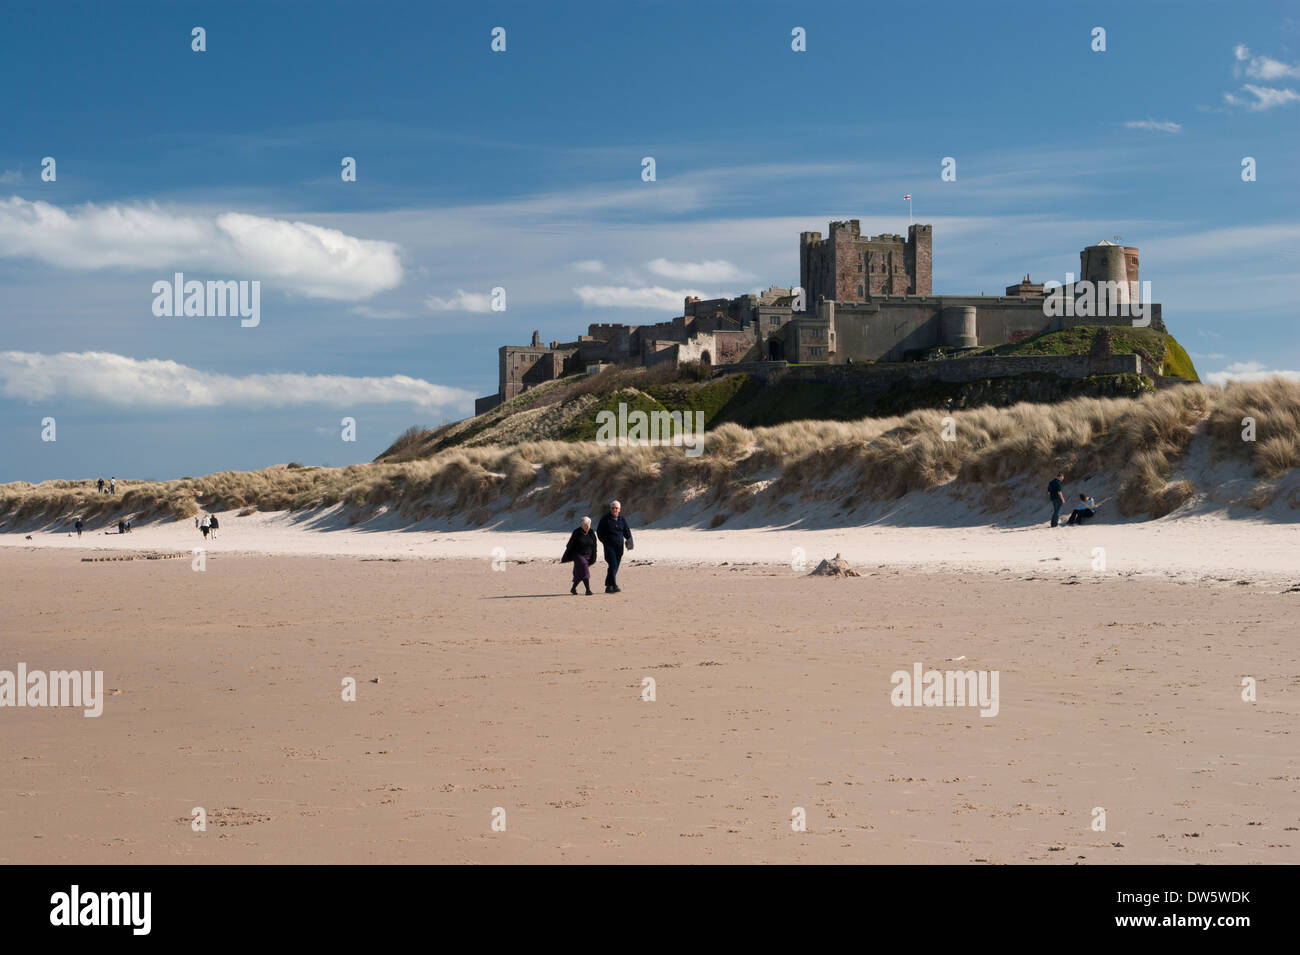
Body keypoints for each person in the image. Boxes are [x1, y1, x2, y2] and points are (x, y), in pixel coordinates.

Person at [595, 499, 634, 594]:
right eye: (613, 508)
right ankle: (613, 585)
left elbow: (627, 532)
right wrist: (605, 542)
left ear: (619, 509)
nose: (614, 510)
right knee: (613, 564)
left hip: (619, 547)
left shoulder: (622, 519)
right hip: (609, 547)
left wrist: (630, 542)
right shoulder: (605, 519)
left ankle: (609, 586)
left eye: (616, 508)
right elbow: (599, 533)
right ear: (610, 509)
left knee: (615, 566)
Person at [560, 517, 598, 595]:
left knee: (580, 573)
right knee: (584, 569)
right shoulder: (576, 532)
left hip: (588, 555)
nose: (587, 526)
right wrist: (568, 555)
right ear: (582, 525)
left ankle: (573, 588)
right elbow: (569, 544)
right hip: (578, 555)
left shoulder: (591, 532)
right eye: (585, 524)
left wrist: (594, 556)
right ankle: (588, 590)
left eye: (588, 524)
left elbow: (594, 546)